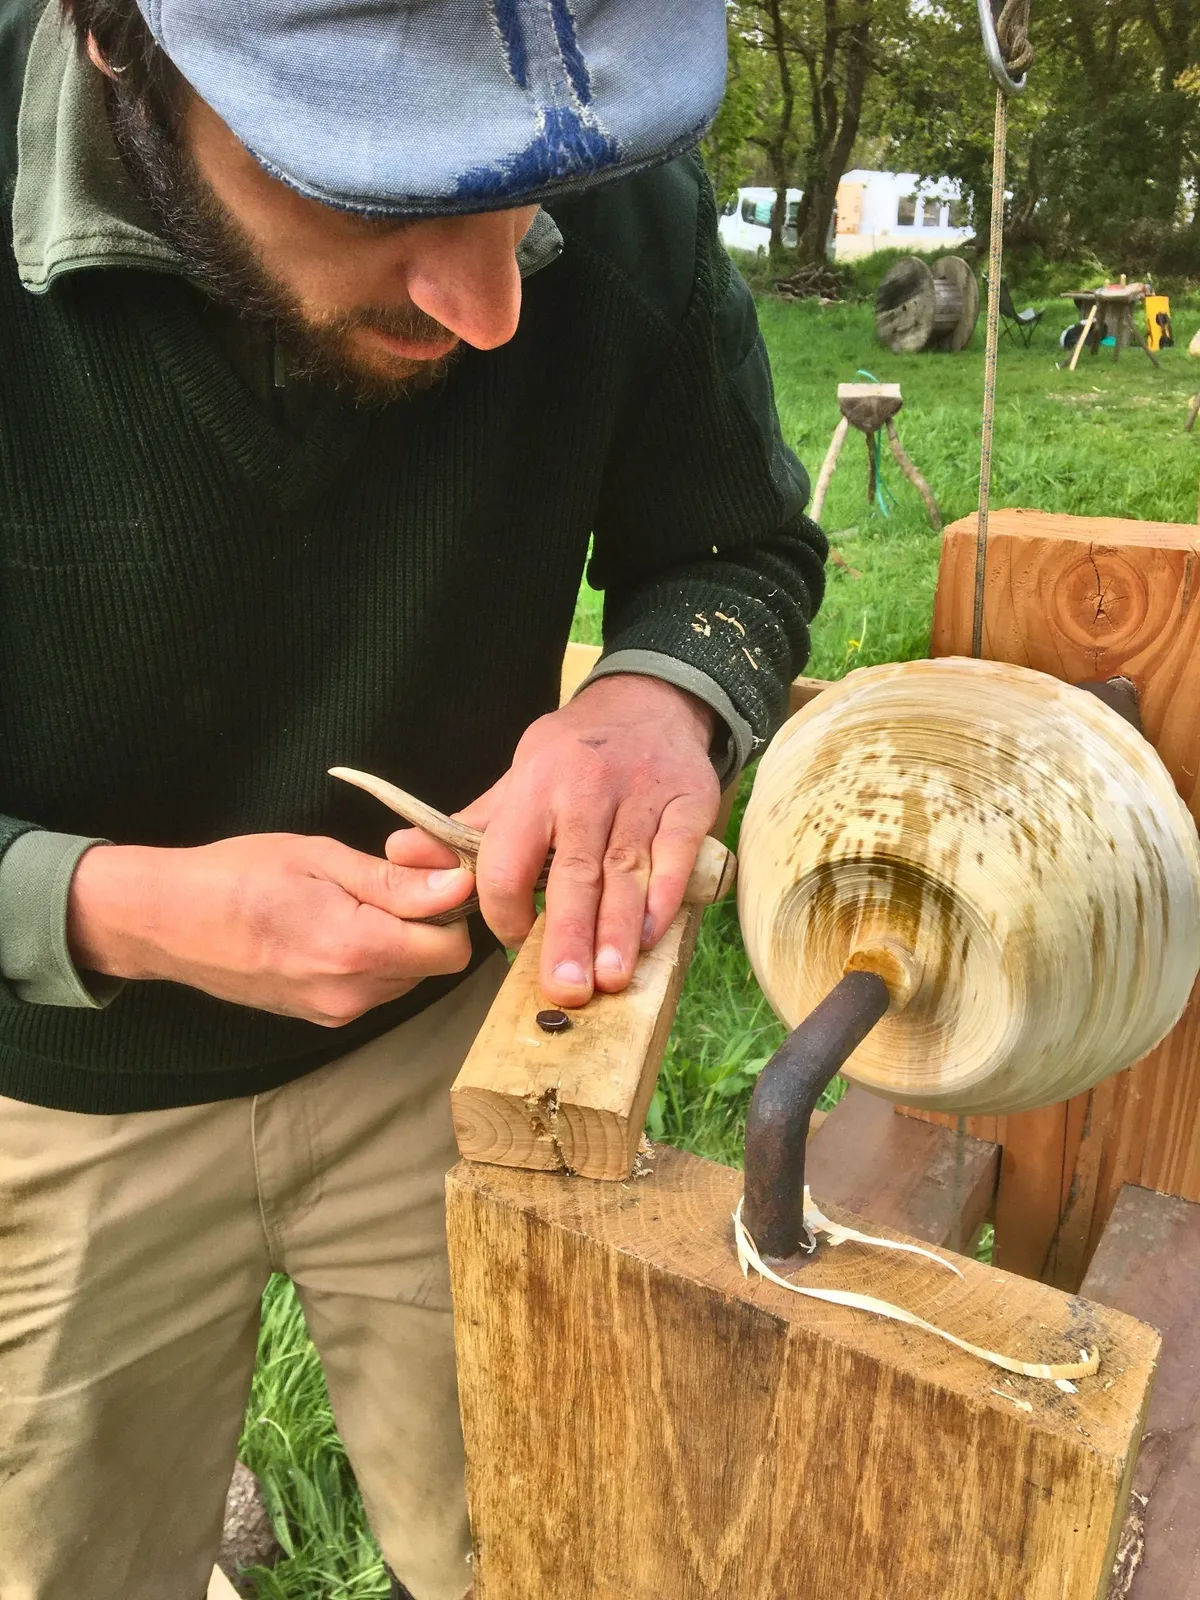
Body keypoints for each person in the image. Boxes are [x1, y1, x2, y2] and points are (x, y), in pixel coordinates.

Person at [0, 0, 827, 1595]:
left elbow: (735, 546)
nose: (494, 305)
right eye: (377, 185)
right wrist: (103, 908)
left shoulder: (588, 135)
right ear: (121, 42)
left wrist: (656, 703)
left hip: (462, 1051)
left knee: (546, 1547)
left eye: (529, 199)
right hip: (46, 1089)